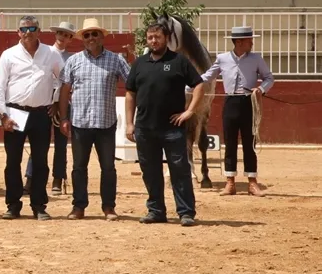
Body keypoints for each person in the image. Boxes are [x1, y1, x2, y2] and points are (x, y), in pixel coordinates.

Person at [125, 20, 205, 226]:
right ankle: (156, 211)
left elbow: (198, 85)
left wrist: (190, 111)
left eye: (157, 37)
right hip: (144, 128)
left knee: (180, 171)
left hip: (173, 129)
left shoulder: (179, 61)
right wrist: (129, 124)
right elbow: (130, 94)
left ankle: (186, 213)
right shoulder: (139, 64)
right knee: (150, 172)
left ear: (166, 38)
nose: (153, 41)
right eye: (150, 37)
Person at [59, 19, 130, 220]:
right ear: (82, 38)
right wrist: (64, 117)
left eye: (94, 34)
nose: (90, 38)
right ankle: (78, 207)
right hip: (80, 123)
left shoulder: (116, 60)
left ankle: (109, 207)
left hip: (106, 123)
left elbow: (132, 82)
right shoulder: (73, 61)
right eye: (87, 35)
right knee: (78, 168)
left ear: (101, 36)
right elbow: (65, 91)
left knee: (108, 167)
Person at [0, 15, 63, 220]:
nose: (28, 33)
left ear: (39, 31)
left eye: (32, 29)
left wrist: (56, 101)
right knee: (12, 161)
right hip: (14, 113)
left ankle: (39, 205)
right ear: (18, 32)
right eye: (24, 29)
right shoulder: (9, 55)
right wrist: (3, 115)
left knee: (41, 161)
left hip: (41, 113)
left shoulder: (50, 54)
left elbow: (63, 78)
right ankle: (13, 204)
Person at [199, 25, 275, 197]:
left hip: (249, 101)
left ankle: (252, 182)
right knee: (230, 143)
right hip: (231, 101)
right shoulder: (222, 58)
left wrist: (261, 90)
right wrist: (188, 84)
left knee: (250, 143)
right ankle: (230, 182)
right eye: (249, 40)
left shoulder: (256, 58)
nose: (252, 43)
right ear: (239, 42)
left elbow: (269, 78)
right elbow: (207, 76)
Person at [25, 21, 75, 195]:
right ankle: (31, 178)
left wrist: (58, 104)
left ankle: (58, 178)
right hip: (43, 103)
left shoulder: (72, 58)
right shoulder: (43, 52)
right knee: (39, 143)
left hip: (63, 104)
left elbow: (67, 84)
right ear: (56, 35)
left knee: (61, 144)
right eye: (60, 33)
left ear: (70, 39)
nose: (62, 37)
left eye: (67, 35)